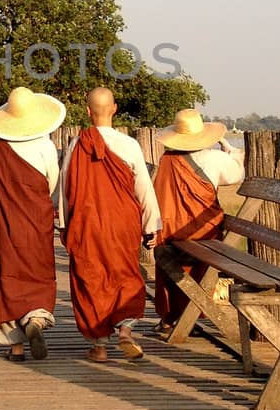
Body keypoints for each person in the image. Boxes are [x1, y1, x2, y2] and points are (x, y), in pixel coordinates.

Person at [59, 86, 161, 363]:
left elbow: (65, 187)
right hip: (123, 222)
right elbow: (144, 189)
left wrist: (64, 225)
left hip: (87, 223)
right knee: (125, 274)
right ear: (114, 109)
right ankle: (126, 328)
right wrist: (152, 224)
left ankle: (99, 346)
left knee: (91, 279)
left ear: (87, 111)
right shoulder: (129, 145)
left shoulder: (76, 145)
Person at [0, 85, 65, 361]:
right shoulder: (46, 145)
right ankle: (35, 319)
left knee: (6, 277)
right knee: (38, 272)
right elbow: (53, 183)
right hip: (37, 219)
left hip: (3, 220)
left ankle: (16, 346)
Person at [152, 108, 244, 334]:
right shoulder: (214, 158)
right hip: (204, 233)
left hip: (170, 231)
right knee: (197, 268)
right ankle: (189, 317)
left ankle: (169, 318)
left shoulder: (166, 161)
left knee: (168, 263)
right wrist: (231, 151)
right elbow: (236, 175)